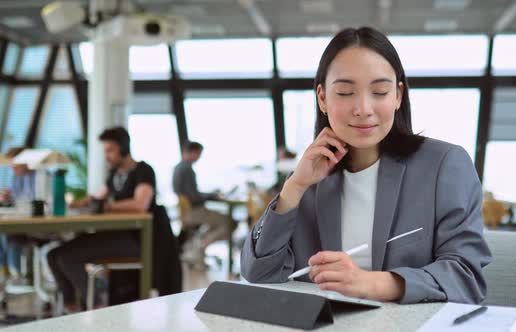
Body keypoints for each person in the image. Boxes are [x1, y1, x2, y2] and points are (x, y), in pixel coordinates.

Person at [241, 27, 492, 304]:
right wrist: (295, 187)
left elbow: (466, 276)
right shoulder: (310, 177)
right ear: (322, 98)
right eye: (346, 93)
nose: (363, 108)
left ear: (397, 96)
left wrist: (373, 283)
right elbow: (259, 274)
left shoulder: (444, 165)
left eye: (380, 91)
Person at [47, 127, 181, 312]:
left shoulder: (143, 170)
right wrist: (76, 204)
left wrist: (106, 206)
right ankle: (72, 306)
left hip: (138, 239)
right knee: (54, 255)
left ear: (123, 148)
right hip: (119, 234)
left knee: (67, 257)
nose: (107, 156)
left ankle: (96, 308)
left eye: (110, 150)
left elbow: (140, 203)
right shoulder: (115, 175)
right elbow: (96, 197)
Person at [172, 141, 231, 269]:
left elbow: (190, 194)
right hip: (194, 212)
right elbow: (194, 197)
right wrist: (211, 195)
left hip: (186, 212)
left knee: (216, 222)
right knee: (228, 221)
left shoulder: (178, 168)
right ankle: (199, 245)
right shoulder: (187, 169)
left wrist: (208, 194)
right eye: (199, 154)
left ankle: (198, 244)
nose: (199, 157)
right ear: (192, 152)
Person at [0, 147, 35, 282]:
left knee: (8, 233)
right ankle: (5, 270)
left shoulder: (40, 177)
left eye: (15, 164)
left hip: (34, 224)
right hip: (20, 221)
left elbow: (32, 202)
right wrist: (7, 196)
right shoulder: (19, 178)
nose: (12, 168)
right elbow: (16, 198)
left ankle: (15, 272)